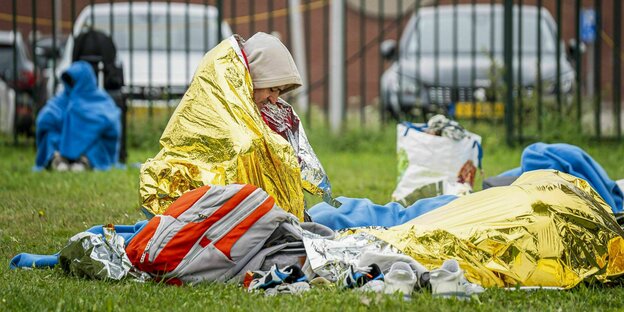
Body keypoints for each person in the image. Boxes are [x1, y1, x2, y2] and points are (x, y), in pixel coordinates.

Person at [139, 32, 330, 220]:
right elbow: (236, 148)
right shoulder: (221, 101)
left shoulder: (251, 108)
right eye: (272, 88)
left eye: (279, 92)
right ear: (252, 79)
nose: (274, 99)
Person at [35, 61, 121, 172]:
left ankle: (85, 161)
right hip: (61, 141)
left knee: (96, 143)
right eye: (69, 81)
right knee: (50, 137)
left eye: (74, 81)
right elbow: (45, 118)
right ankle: (56, 159)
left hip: (89, 145)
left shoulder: (100, 99)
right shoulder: (63, 98)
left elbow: (110, 124)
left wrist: (78, 121)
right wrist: (63, 121)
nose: (72, 85)